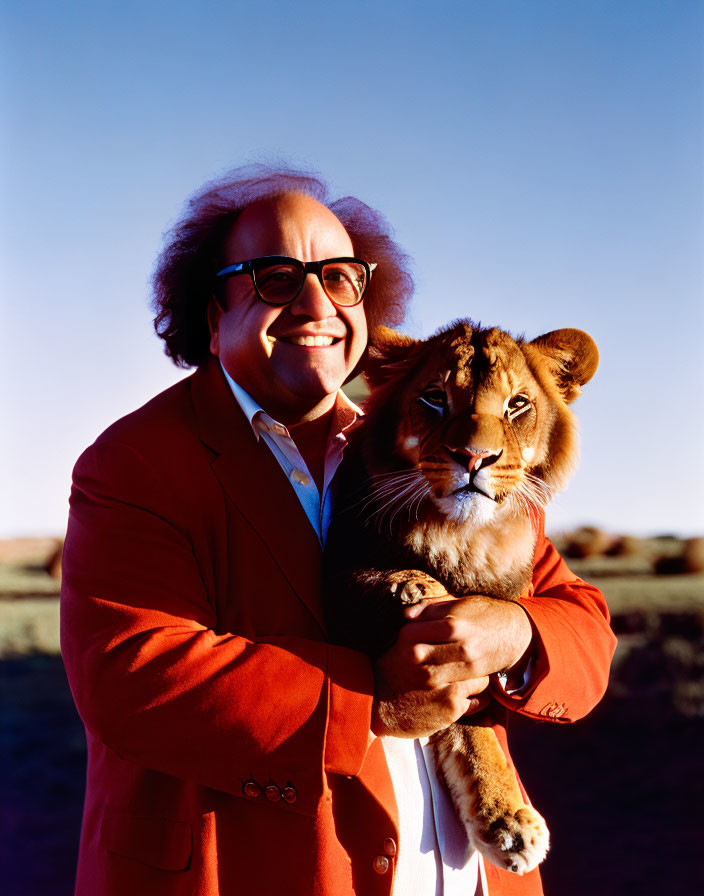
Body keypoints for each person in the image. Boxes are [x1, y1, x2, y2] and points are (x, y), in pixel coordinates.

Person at [60, 164, 616, 896]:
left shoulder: (421, 452)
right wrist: (370, 703)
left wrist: (515, 632)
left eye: (341, 277)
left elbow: (581, 627)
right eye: (276, 278)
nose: (316, 302)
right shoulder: (137, 461)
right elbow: (133, 675)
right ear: (211, 310)